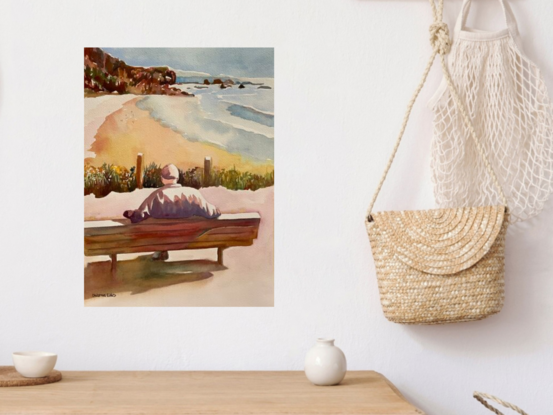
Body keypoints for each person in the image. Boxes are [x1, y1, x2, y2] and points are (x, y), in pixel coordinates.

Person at [123, 163, 221, 260]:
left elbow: (140, 215)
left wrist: (131, 213)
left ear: (162, 179)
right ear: (177, 178)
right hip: (188, 238)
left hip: (163, 238)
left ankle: (161, 250)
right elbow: (210, 212)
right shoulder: (192, 193)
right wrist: (217, 210)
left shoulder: (156, 196)